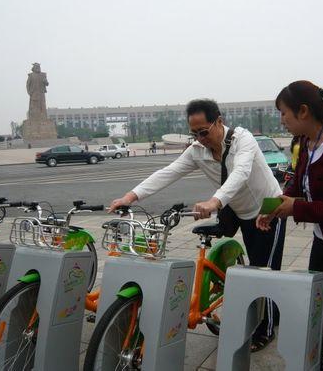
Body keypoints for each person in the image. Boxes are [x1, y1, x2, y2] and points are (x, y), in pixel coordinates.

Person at [109, 99, 286, 351]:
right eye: (194, 133)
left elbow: (241, 173)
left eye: (204, 131)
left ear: (219, 122)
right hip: (241, 212)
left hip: (269, 209)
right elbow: (167, 173)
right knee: (257, 268)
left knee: (265, 272)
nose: (200, 138)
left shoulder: (242, 140)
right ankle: (271, 313)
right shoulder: (197, 150)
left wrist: (215, 201)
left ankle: (265, 331)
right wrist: (130, 197)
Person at [257, 81, 323, 370]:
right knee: (315, 312)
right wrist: (275, 207)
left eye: (284, 114)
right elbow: (297, 182)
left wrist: (297, 208)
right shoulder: (307, 143)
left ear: (303, 111)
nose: (282, 120)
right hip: (322, 244)